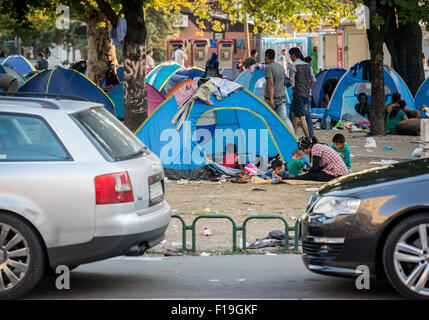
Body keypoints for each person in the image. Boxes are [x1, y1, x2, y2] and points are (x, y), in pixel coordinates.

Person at [288, 47, 316, 137]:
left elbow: (292, 82)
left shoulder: (294, 65)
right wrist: (308, 88)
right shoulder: (308, 65)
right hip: (307, 94)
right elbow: (314, 80)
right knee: (295, 115)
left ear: (293, 55)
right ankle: (293, 135)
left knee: (302, 117)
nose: (290, 58)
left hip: (298, 94)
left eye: (290, 56)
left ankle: (308, 138)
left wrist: (293, 88)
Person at [264, 49, 292, 129]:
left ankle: (269, 137)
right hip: (282, 97)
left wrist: (271, 100)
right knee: (284, 118)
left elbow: (271, 84)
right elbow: (283, 83)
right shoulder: (281, 67)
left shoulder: (269, 68)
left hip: (272, 98)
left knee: (267, 118)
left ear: (266, 57)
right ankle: (292, 136)